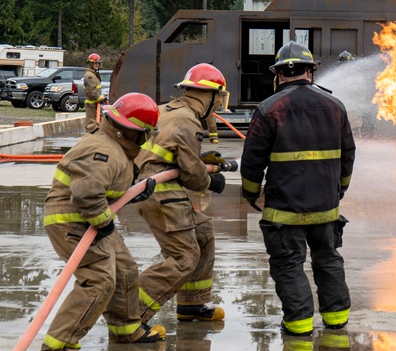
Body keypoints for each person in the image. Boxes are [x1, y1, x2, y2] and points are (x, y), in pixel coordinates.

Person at [40, 93, 165, 351]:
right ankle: (57, 348)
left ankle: (126, 328)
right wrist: (104, 222)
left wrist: (133, 193)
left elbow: (105, 188)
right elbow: (86, 193)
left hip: (90, 219)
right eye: (144, 134)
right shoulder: (104, 150)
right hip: (72, 221)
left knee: (125, 269)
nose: (146, 140)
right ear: (130, 131)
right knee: (99, 281)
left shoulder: (114, 145)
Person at [240, 41, 356, 336]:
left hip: (284, 210)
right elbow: (347, 154)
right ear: (310, 72)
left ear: (278, 74)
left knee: (289, 265)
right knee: (328, 260)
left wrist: (251, 193)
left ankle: (299, 324)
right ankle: (336, 320)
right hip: (326, 208)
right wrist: (339, 189)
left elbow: (252, 160)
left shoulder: (269, 109)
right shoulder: (335, 106)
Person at [134, 63, 228, 325]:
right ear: (209, 95)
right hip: (163, 194)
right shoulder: (188, 120)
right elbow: (192, 175)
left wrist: (200, 159)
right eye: (219, 96)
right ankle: (130, 313)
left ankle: (193, 304)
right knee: (183, 258)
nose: (220, 103)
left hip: (153, 188)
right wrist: (211, 181)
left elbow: (172, 153)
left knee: (203, 233)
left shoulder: (168, 109)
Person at [83, 53, 107, 134]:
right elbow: (91, 91)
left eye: (98, 63)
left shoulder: (94, 74)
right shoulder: (89, 76)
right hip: (91, 106)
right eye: (95, 63)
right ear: (90, 64)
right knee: (92, 126)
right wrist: (100, 98)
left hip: (95, 105)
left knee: (98, 124)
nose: (97, 65)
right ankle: (90, 142)